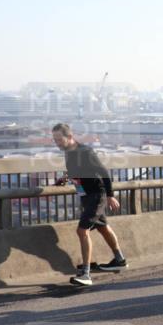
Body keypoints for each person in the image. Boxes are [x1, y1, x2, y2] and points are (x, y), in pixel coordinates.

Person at [52, 123, 127, 287]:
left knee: (82, 231)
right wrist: (64, 179)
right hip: (86, 197)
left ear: (69, 137)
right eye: (55, 140)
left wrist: (110, 195)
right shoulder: (68, 152)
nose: (56, 143)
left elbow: (104, 172)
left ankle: (86, 274)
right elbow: (77, 171)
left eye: (59, 139)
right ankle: (119, 260)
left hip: (96, 196)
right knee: (103, 227)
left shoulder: (85, 152)